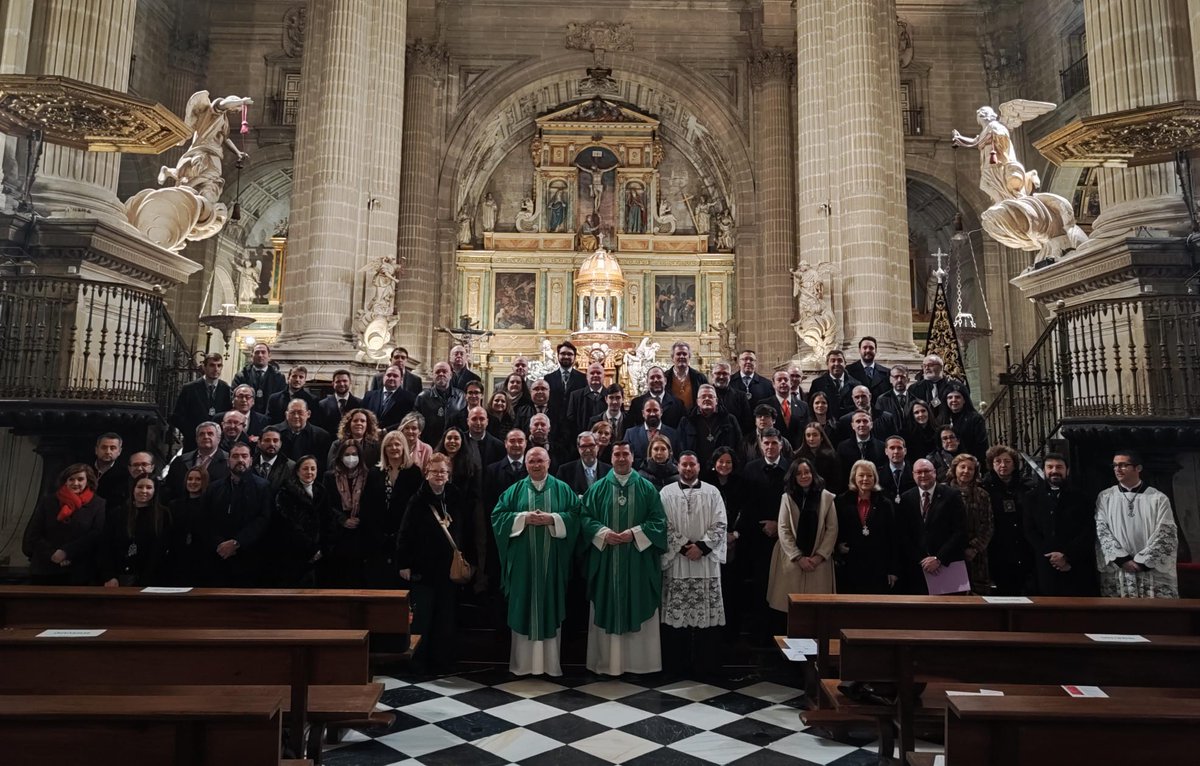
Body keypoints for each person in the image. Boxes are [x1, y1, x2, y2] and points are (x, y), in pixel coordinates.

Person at [580, 441, 668, 675]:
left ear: (632, 458)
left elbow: (659, 522)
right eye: (617, 454)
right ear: (611, 458)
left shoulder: (647, 488)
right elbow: (584, 518)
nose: (621, 458)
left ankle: (640, 665)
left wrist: (635, 534)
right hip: (607, 561)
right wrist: (602, 533)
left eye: (625, 454)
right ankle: (606, 664)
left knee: (638, 601)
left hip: (638, 561)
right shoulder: (597, 489)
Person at [491, 447, 581, 676]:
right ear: (526, 464)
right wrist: (523, 518)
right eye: (531, 461)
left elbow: (576, 516)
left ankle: (550, 665)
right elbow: (498, 517)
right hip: (523, 566)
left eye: (540, 460)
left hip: (552, 565)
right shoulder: (515, 490)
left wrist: (553, 519)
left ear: (549, 462)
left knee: (549, 606)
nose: (536, 465)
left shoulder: (562, 489)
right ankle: (522, 665)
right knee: (523, 607)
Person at [398, 454, 473, 673]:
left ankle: (442, 661)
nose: (439, 475)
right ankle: (418, 663)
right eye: (435, 471)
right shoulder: (417, 500)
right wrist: (404, 563)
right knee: (422, 618)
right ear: (427, 473)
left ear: (449, 474)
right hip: (424, 568)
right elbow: (405, 533)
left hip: (448, 570)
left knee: (445, 617)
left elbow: (466, 529)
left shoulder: (455, 496)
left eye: (443, 471)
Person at [659, 451, 727, 676]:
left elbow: (720, 523)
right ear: (677, 466)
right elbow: (662, 523)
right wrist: (683, 546)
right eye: (684, 465)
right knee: (677, 618)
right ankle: (676, 667)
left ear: (699, 466)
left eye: (692, 464)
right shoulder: (666, 493)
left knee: (706, 618)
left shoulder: (712, 492)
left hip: (705, 562)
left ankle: (705, 666)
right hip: (678, 562)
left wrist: (703, 547)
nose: (688, 469)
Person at [1095, 450, 1178, 599]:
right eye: (1114, 465)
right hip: (1119, 568)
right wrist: (1122, 560)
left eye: (1123, 465)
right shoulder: (1106, 497)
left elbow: (1166, 533)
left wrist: (1142, 562)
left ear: (1138, 468)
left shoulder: (1157, 498)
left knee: (1156, 611)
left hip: (1150, 569)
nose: (1117, 469)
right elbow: (1102, 530)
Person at [767, 457, 837, 615]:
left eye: (807, 472)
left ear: (813, 474)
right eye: (799, 473)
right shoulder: (787, 497)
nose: (804, 476)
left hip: (818, 562)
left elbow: (832, 529)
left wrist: (819, 556)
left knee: (817, 611)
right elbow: (783, 529)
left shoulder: (826, 497)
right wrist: (798, 557)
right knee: (791, 612)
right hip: (792, 560)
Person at [197, 443, 272, 586]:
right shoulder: (214, 488)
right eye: (235, 456)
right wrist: (219, 544)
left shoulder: (263, 487)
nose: (240, 460)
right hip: (218, 555)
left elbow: (263, 519)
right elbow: (205, 519)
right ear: (228, 461)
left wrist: (237, 542)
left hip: (250, 556)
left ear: (250, 460)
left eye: (244, 456)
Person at [1024, 452, 1096, 596]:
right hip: (1045, 564)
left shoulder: (1082, 497)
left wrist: (1067, 556)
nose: (1054, 471)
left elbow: (1088, 530)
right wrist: (1052, 557)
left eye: (1059, 467)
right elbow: (1029, 530)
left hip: (1076, 564)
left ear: (1067, 471)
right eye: (1050, 467)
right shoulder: (1031, 498)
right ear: (1044, 470)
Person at [23, 464, 106, 585]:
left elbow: (96, 534)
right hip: (45, 568)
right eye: (71, 479)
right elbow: (33, 535)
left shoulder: (98, 504)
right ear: (65, 481)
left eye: (80, 479)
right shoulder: (48, 502)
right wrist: (52, 554)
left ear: (88, 481)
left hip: (80, 571)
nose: (75, 483)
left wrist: (66, 552)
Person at [742, 428, 789, 640]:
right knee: (760, 585)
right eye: (766, 443)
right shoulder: (750, 469)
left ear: (781, 444)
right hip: (758, 537)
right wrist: (762, 525)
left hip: (785, 538)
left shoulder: (790, 468)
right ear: (761, 445)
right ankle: (761, 635)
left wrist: (778, 526)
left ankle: (781, 633)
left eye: (774, 443)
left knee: (782, 586)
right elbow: (747, 504)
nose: (770, 447)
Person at [361, 431, 423, 589]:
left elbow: (418, 509)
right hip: (378, 539)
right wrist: (377, 534)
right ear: (384, 449)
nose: (394, 448)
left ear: (403, 447)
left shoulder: (414, 472)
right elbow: (367, 505)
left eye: (397, 444)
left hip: (404, 538)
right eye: (389, 445)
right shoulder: (375, 472)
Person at [897, 459, 968, 594]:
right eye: (919, 472)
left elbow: (960, 531)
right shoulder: (906, 498)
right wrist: (922, 559)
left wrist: (938, 558)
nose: (923, 475)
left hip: (947, 566)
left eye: (927, 471)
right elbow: (903, 535)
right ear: (913, 475)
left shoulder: (952, 495)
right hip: (918, 569)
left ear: (934, 473)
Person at [834, 460, 900, 594]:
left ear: (875, 478)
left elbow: (893, 537)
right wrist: (837, 547)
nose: (865, 479)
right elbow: (834, 530)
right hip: (850, 566)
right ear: (854, 477)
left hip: (878, 567)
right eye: (861, 475)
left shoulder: (885, 503)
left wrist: (893, 570)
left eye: (869, 475)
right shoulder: (841, 501)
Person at [981, 444, 1037, 596]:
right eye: (998, 461)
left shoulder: (1027, 485)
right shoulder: (984, 487)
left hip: (1024, 544)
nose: (1003, 465)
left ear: (1014, 464)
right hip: (998, 546)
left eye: (1007, 461)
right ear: (991, 464)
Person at [706, 447, 747, 644]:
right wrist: (719, 536)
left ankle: (731, 635)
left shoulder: (742, 483)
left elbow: (747, 511)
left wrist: (735, 534)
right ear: (714, 463)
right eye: (721, 461)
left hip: (736, 543)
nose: (724, 465)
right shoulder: (706, 484)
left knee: (733, 591)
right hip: (711, 545)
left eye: (728, 462)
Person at [99, 476, 172, 587]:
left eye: (149, 487)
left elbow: (161, 548)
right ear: (133, 489)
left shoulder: (163, 514)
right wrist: (109, 575)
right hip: (119, 576)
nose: (144, 491)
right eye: (140, 487)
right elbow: (105, 545)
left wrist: (147, 578)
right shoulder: (118, 513)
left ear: (155, 491)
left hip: (151, 578)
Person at [267, 456, 326, 587]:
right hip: (293, 554)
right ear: (297, 471)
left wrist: (322, 548)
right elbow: (288, 525)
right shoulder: (285, 492)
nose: (309, 472)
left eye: (313, 469)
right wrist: (311, 549)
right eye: (305, 469)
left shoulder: (321, 491)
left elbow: (327, 521)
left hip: (319, 555)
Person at [322, 439, 369, 587]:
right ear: (340, 456)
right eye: (347, 454)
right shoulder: (330, 476)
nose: (351, 458)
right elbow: (326, 503)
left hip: (361, 532)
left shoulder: (368, 476)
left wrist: (359, 519)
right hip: (338, 532)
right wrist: (343, 519)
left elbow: (372, 503)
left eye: (354, 454)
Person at [947, 454, 994, 594]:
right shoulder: (943, 491)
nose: (966, 471)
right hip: (949, 552)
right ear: (955, 468)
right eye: (962, 467)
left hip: (976, 555)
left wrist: (974, 548)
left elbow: (988, 525)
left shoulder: (982, 495)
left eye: (970, 469)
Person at [172, 353, 233, 451]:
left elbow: (227, 415)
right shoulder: (189, 388)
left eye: (219, 365)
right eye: (212, 365)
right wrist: (194, 435)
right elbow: (178, 416)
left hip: (217, 444)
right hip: (193, 442)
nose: (216, 369)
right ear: (204, 367)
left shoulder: (226, 389)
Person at [678, 384, 742, 467]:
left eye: (711, 396)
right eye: (703, 396)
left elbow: (739, 445)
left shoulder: (730, 420)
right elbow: (680, 447)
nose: (707, 399)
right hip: (696, 469)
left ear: (716, 401)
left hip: (723, 468)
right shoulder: (686, 421)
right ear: (697, 401)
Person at [164, 422, 228, 502]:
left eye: (210, 434)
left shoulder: (229, 462)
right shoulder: (180, 461)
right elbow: (170, 488)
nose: (206, 437)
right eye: (201, 434)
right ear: (196, 439)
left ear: (218, 438)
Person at [166, 466, 208, 585]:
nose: (193, 482)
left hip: (202, 557)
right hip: (178, 556)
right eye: (190, 479)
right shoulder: (174, 505)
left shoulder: (210, 504)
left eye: (198, 479)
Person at [274, 399, 334, 474]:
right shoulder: (274, 433)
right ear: (286, 414)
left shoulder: (322, 436)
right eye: (292, 413)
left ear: (308, 414)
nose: (296, 416)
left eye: (300, 413)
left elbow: (323, 466)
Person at [415, 362, 468, 445]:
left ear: (451, 375)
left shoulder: (462, 397)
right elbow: (417, 424)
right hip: (430, 445)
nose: (441, 374)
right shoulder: (422, 397)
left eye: (444, 371)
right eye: (437, 372)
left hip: (455, 445)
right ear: (433, 375)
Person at [232, 343, 287, 415]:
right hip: (246, 416)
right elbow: (234, 398)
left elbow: (281, 400)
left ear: (269, 356)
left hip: (271, 417)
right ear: (252, 356)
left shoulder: (279, 377)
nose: (260, 355)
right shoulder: (241, 376)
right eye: (257, 352)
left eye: (263, 352)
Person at [756, 370, 807, 447]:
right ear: (773, 384)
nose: (783, 382)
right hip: (772, 448)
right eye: (779, 380)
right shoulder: (764, 404)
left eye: (786, 380)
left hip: (798, 450)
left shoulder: (803, 406)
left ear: (791, 383)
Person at [807, 349, 861, 420]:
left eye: (840, 360)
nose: (836, 364)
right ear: (827, 364)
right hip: (827, 423)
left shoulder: (856, 385)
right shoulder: (818, 384)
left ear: (845, 363)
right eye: (833, 361)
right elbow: (810, 408)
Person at [362, 365, 417, 431]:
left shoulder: (409, 398)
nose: (391, 378)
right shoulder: (369, 396)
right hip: (370, 434)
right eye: (388, 375)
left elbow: (407, 420)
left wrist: (385, 430)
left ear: (401, 380)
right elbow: (362, 415)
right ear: (383, 377)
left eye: (395, 376)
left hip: (394, 435)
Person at [625, 399, 680, 463]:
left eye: (655, 410)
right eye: (648, 410)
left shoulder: (673, 434)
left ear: (661, 412)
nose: (652, 414)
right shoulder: (631, 434)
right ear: (643, 413)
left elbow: (677, 459)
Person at [557, 431, 611, 496]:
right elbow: (560, 495)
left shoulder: (609, 471)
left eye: (591, 445)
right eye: (583, 446)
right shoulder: (565, 471)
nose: (588, 450)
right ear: (578, 448)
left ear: (598, 446)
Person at [797, 422, 843, 495]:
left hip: (827, 495)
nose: (811, 439)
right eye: (808, 435)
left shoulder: (832, 456)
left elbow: (837, 481)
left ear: (821, 437)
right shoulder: (798, 456)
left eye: (815, 435)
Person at [944, 388, 988, 463]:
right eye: (950, 397)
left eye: (957, 397)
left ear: (964, 400)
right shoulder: (943, 419)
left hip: (971, 461)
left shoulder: (975, 418)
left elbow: (981, 444)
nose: (953, 400)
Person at [315, 369, 365, 434]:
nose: (341, 384)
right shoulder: (322, 404)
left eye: (345, 381)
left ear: (350, 382)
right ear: (333, 384)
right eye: (338, 381)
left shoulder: (360, 403)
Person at [666, 341, 708, 414]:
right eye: (678, 354)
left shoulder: (699, 377)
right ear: (672, 357)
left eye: (685, 354)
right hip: (671, 418)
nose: (682, 356)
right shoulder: (665, 377)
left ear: (689, 357)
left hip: (693, 417)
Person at [877, 436, 916, 506]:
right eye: (892, 448)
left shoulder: (915, 471)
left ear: (905, 451)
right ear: (886, 451)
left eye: (899, 448)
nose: (896, 452)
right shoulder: (878, 474)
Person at [92, 432, 127, 509]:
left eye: (112, 448)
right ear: (96, 450)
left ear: (119, 451)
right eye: (104, 447)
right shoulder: (84, 469)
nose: (108, 452)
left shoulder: (125, 475)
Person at [875, 365, 913, 431]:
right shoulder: (882, 400)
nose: (899, 380)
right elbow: (879, 422)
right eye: (896, 377)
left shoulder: (915, 399)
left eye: (902, 377)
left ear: (908, 380)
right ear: (890, 379)